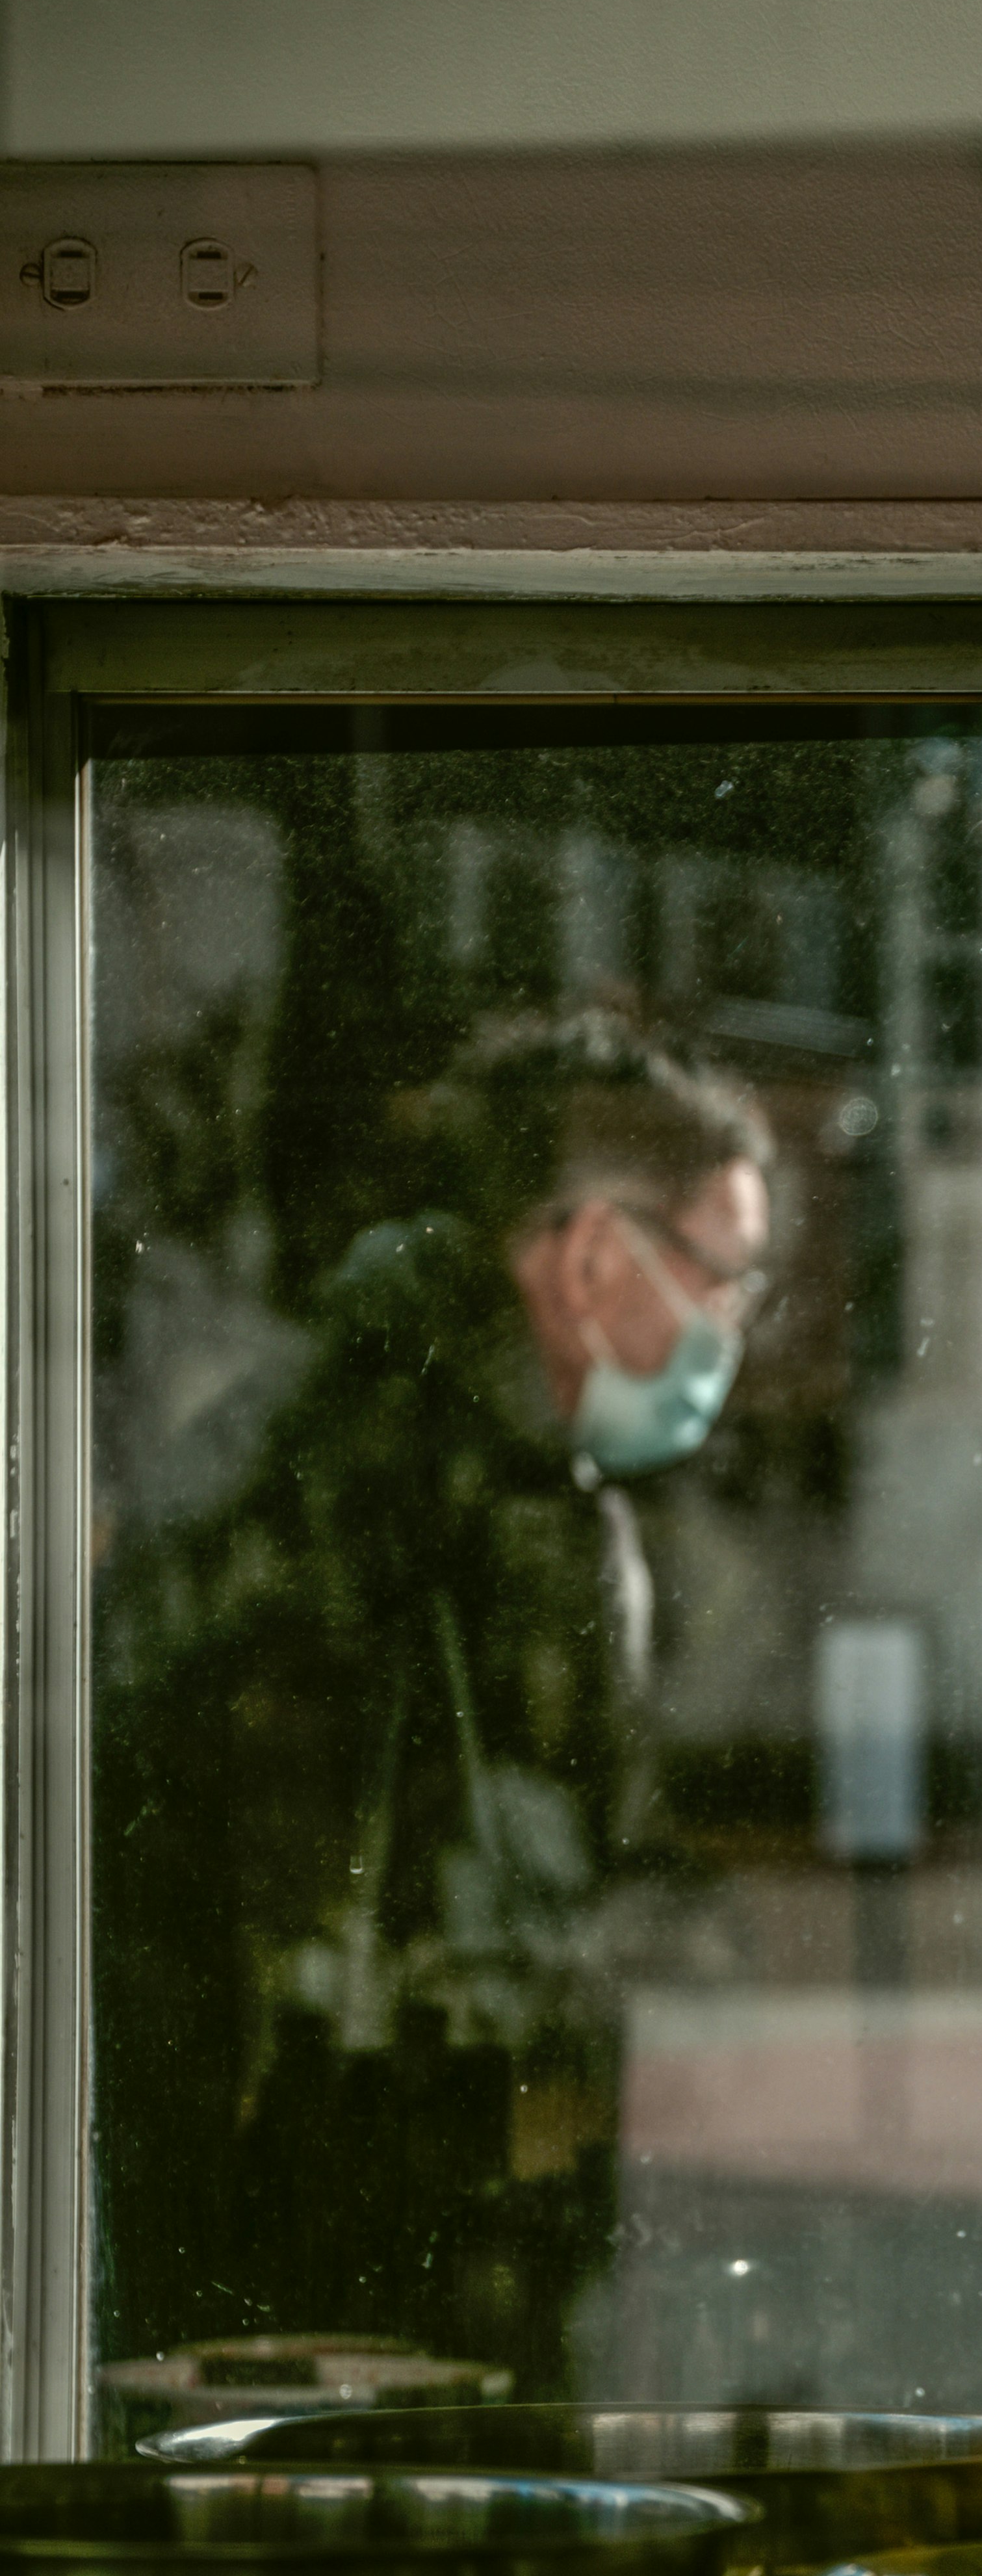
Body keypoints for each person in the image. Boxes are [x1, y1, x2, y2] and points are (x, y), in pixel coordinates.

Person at [92, 1012, 774, 2397]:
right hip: (409, 2225)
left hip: (217, 2205)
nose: (733, 1330)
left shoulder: (284, 1425)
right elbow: (511, 1913)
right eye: (725, 1278)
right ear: (591, 1257)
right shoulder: (497, 1510)